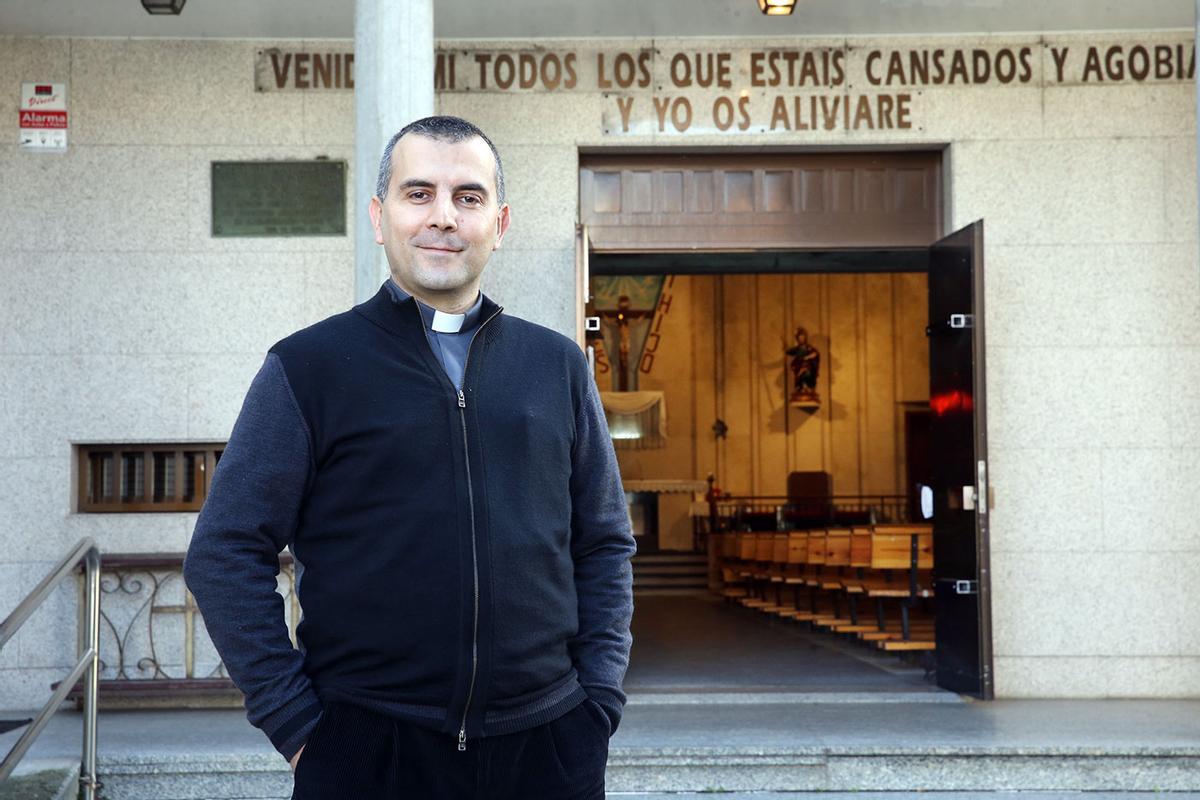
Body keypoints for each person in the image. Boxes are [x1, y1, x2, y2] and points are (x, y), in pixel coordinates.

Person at [183, 115, 636, 799]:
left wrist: (596, 703)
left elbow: (603, 542)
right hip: (369, 752)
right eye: (418, 193)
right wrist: (300, 727)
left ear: (501, 222)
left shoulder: (558, 366)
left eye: (469, 197)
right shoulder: (308, 367)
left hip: (546, 750)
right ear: (379, 215)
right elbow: (223, 551)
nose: (444, 218)